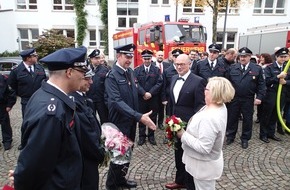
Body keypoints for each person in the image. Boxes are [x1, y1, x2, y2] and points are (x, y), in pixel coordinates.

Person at [13, 46, 89, 190]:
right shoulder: (51, 113)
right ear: (69, 72)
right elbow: (35, 164)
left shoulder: (45, 95)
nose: (84, 76)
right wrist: (21, 179)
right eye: (82, 72)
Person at [105, 43, 156, 190]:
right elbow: (116, 101)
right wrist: (138, 116)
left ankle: (121, 180)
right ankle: (112, 185)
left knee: (127, 154)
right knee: (119, 155)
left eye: (131, 57)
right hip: (120, 122)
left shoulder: (130, 72)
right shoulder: (112, 75)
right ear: (118, 56)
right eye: (127, 57)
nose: (129, 60)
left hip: (131, 120)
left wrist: (136, 116)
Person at [177, 77, 235, 190]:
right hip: (200, 164)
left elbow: (204, 147)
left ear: (214, 93)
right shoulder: (219, 106)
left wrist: (182, 134)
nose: (204, 91)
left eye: (206, 89)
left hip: (203, 167)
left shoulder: (210, 118)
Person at [165, 54, 206, 190]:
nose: (179, 67)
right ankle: (180, 180)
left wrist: (193, 126)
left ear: (190, 64)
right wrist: (170, 120)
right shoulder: (173, 78)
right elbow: (171, 102)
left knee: (189, 156)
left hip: (190, 126)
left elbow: (200, 106)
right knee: (178, 153)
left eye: (182, 64)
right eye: (177, 64)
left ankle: (190, 184)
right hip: (175, 124)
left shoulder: (198, 81)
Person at [69, 67, 105, 190]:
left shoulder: (82, 97)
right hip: (85, 158)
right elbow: (86, 136)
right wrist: (101, 153)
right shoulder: (73, 101)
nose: (91, 82)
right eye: (87, 79)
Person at [226, 47, 265, 149]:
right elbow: (227, 83)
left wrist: (259, 97)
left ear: (249, 57)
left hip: (248, 99)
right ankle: (230, 136)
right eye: (241, 56)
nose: (243, 58)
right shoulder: (233, 67)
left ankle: (245, 139)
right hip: (234, 98)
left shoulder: (256, 68)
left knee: (247, 119)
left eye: (245, 56)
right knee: (232, 118)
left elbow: (261, 84)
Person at [8, 48, 46, 150]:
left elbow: (45, 82)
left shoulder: (39, 68)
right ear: (28, 58)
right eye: (35, 56)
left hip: (40, 99)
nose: (37, 57)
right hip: (26, 100)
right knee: (27, 122)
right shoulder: (16, 70)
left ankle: (40, 141)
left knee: (41, 120)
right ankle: (24, 142)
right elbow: (12, 87)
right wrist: (12, 102)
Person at [259, 47, 290, 143]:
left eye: (285, 56)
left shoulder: (287, 67)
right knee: (267, 114)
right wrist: (277, 77)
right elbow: (266, 81)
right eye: (281, 57)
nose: (283, 59)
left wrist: (286, 82)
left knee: (276, 114)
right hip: (271, 94)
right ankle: (263, 134)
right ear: (276, 57)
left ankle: (271, 133)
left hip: (282, 94)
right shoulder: (270, 67)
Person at [134, 49, 163, 145]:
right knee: (141, 117)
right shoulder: (137, 70)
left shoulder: (156, 70)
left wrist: (150, 93)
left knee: (153, 117)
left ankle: (151, 135)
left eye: (148, 58)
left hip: (153, 98)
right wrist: (143, 93)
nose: (147, 60)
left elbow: (159, 83)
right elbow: (135, 83)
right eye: (145, 58)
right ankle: (142, 136)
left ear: (151, 59)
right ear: (142, 59)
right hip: (141, 99)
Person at [86, 49, 110, 124]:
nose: (98, 60)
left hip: (101, 99)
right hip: (90, 99)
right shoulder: (86, 69)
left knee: (104, 119)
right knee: (91, 119)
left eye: (99, 58)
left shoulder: (105, 69)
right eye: (96, 58)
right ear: (91, 59)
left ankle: (105, 134)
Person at [153, 50, 171, 129]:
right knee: (154, 109)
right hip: (154, 91)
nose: (160, 56)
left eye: (161, 55)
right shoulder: (152, 65)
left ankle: (160, 123)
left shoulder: (168, 65)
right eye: (159, 55)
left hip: (163, 91)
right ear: (156, 56)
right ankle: (152, 123)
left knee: (161, 109)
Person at [0, 73, 16, 150]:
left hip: (2, 106)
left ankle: (7, 141)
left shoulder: (4, 78)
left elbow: (11, 92)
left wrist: (9, 105)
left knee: (5, 124)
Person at [255, 53, 272, 124]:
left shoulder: (270, 66)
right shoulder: (259, 66)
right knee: (260, 104)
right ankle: (259, 116)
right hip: (260, 87)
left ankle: (263, 117)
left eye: (262, 58)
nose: (260, 59)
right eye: (260, 58)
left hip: (268, 88)